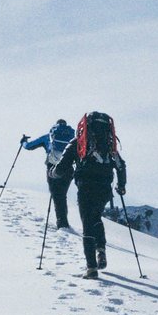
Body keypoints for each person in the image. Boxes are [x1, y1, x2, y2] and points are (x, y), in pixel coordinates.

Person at [53, 111, 126, 279]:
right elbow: (121, 166)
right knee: (96, 218)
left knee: (87, 223)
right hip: (104, 189)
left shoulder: (79, 142)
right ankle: (101, 250)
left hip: (85, 187)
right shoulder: (109, 145)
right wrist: (121, 186)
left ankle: (91, 268)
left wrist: (53, 173)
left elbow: (62, 166)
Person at [20, 119, 77, 229]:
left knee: (57, 195)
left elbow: (29, 146)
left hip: (52, 168)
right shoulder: (72, 138)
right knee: (62, 195)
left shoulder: (49, 137)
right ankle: (63, 222)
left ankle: (62, 224)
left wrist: (23, 141)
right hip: (68, 169)